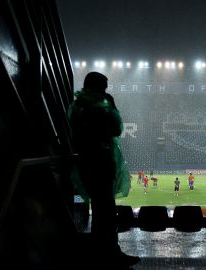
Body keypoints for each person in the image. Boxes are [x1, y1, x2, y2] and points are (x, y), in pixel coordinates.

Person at [68, 71, 140, 268]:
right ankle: (109, 254)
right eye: (104, 86)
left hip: (86, 161)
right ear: (99, 86)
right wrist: (111, 105)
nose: (106, 90)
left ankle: (100, 252)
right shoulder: (101, 105)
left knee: (101, 210)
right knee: (106, 211)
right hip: (99, 161)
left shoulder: (77, 105)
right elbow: (116, 128)